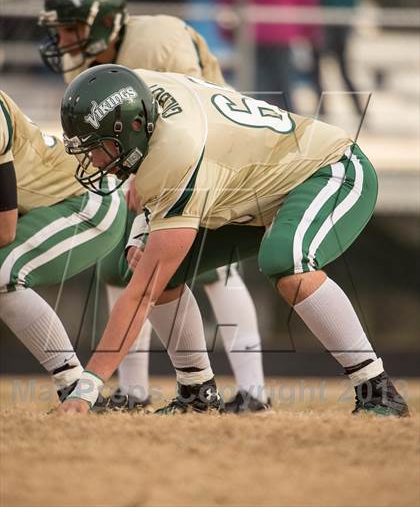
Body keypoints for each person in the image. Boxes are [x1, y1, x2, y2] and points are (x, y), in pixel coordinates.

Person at [57, 64, 408, 417]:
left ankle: (377, 390)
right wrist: (140, 232)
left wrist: (86, 387)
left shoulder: (174, 150)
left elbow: (140, 296)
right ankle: (196, 393)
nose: (94, 159)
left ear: (132, 128)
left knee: (286, 262)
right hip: (252, 185)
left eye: (98, 147)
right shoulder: (140, 89)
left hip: (330, 168)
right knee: (145, 266)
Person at [38, 0, 269, 413]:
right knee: (120, 266)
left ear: (103, 21)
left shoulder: (159, 38)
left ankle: (253, 391)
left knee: (215, 271)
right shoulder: (86, 63)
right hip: (142, 161)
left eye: (70, 28)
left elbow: (194, 109)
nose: (63, 41)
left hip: (207, 154)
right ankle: (134, 389)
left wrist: (150, 176)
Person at [0, 89, 125, 402]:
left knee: (3, 272)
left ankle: (76, 388)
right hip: (57, 201)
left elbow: (4, 229)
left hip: (88, 197)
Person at [217, 0, 322, 111]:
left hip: (250, 29)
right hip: (284, 29)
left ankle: (256, 126)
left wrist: (227, 30)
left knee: (255, 86)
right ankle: (292, 128)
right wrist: (310, 29)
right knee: (285, 85)